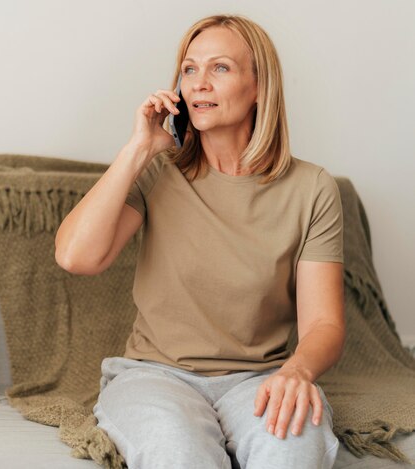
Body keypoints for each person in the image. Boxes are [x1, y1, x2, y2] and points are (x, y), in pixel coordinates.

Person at [54, 13, 344, 469]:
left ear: (259, 86)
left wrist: (297, 371)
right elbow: (75, 257)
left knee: (291, 454)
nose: (198, 84)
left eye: (220, 68)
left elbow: (324, 324)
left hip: (261, 377)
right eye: (189, 69)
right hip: (155, 377)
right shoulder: (157, 172)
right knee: (179, 456)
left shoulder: (312, 188)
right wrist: (138, 149)